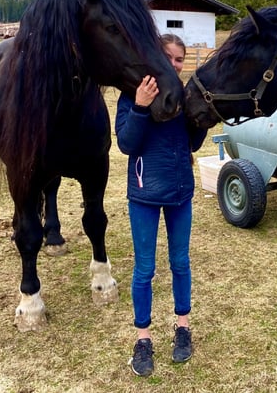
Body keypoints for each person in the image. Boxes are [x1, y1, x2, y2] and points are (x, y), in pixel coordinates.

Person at [115, 33, 207, 377]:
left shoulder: (183, 96)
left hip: (180, 193)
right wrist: (140, 107)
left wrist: (201, 118)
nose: (174, 64)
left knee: (180, 262)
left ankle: (183, 327)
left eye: (180, 59)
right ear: (156, 57)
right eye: (168, 57)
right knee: (145, 269)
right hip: (144, 194)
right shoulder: (131, 94)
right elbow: (126, 144)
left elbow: (193, 144)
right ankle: (143, 338)